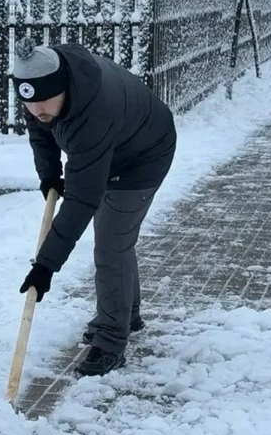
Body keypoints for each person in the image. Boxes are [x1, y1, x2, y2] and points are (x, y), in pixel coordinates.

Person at [12, 38, 176, 377]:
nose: (38, 109)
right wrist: (50, 175)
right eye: (30, 103)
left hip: (144, 155)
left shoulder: (93, 111)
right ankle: (125, 315)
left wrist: (45, 266)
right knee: (116, 238)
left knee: (111, 245)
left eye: (45, 101)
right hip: (116, 146)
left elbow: (81, 201)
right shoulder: (44, 88)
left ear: (64, 89)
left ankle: (111, 342)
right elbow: (41, 130)